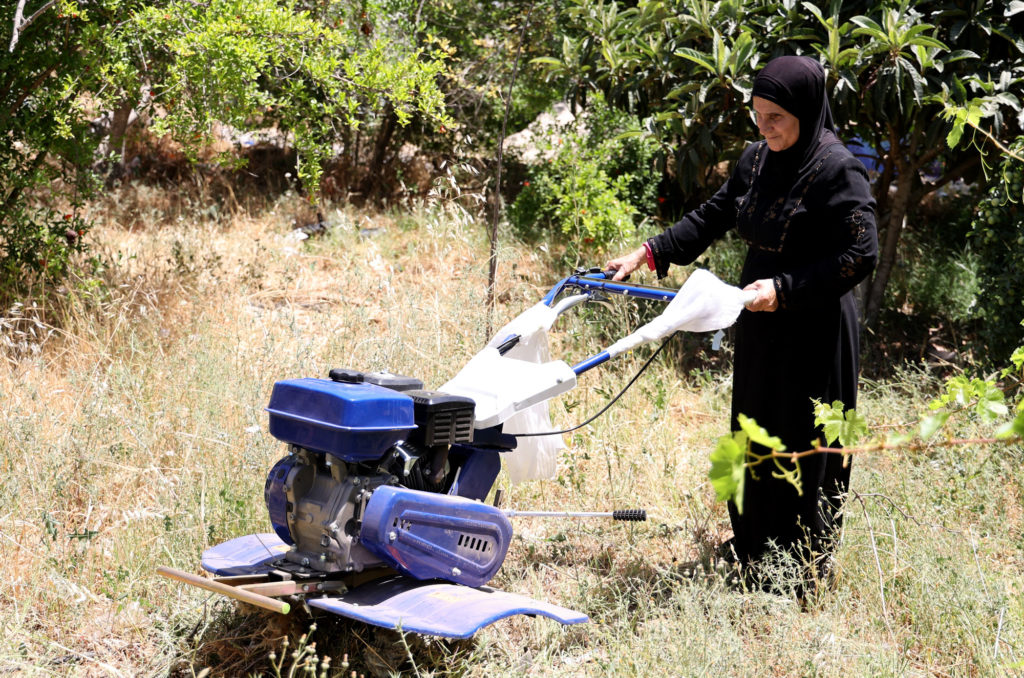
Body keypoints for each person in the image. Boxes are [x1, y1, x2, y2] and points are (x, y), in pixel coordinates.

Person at [605, 55, 878, 585]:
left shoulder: (837, 169)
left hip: (814, 323)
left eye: (776, 117)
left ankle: (802, 567)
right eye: (758, 114)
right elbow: (713, 215)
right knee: (754, 425)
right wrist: (648, 253)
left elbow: (859, 254)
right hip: (758, 315)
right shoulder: (755, 160)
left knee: (805, 434)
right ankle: (755, 549)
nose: (764, 127)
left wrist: (785, 288)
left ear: (804, 111)